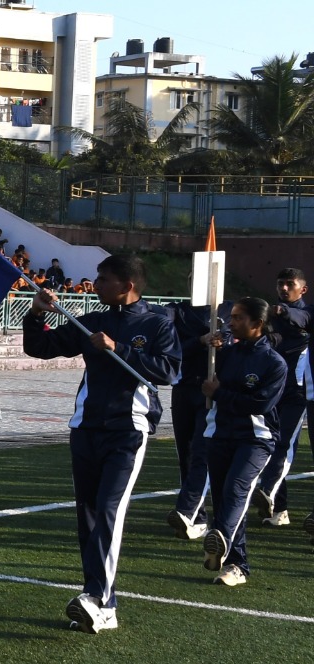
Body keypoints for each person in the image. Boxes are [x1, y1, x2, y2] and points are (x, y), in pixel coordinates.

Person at [23, 255, 181, 634]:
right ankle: (98, 600)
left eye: (103, 279)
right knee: (88, 515)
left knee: (109, 510)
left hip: (128, 431)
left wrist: (119, 348)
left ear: (127, 286)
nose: (95, 284)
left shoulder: (157, 324)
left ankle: (99, 599)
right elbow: (40, 347)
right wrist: (36, 313)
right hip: (85, 429)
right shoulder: (92, 320)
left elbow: (170, 371)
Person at [200, 297, 286, 587]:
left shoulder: (274, 363)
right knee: (222, 498)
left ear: (257, 324)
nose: (231, 322)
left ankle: (220, 538)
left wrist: (220, 394)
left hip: (256, 438)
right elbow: (202, 377)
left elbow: (260, 404)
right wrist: (208, 346)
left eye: (238, 318)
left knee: (236, 489)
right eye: (232, 316)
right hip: (220, 434)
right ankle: (235, 563)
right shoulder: (225, 354)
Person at [253, 268, 310, 527]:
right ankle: (279, 510)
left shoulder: (306, 313)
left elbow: (300, 317)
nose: (284, 288)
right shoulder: (270, 315)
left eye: (290, 284)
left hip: (298, 392)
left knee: (284, 444)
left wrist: (283, 312)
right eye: (280, 284)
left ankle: (267, 489)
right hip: (271, 390)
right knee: (268, 442)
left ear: (303, 289)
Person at [167, 302, 228, 540]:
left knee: (202, 452)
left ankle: (187, 510)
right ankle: (198, 518)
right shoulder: (177, 311)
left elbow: (238, 341)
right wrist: (199, 341)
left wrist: (223, 342)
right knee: (185, 454)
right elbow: (171, 348)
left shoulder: (227, 309)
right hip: (184, 389)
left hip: (210, 391)